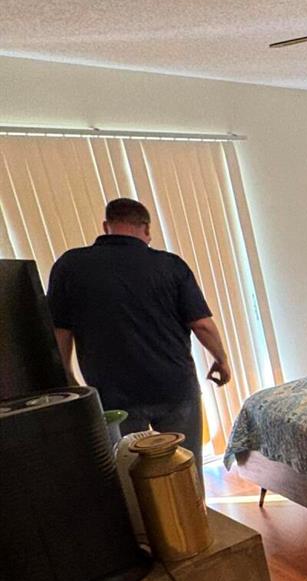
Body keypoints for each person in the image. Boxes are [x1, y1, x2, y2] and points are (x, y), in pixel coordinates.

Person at [47, 197, 231, 480]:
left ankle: (142, 511)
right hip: (173, 384)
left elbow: (60, 331)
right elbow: (202, 325)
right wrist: (222, 359)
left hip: (112, 390)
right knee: (185, 467)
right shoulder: (170, 266)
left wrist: (68, 377)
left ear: (106, 226)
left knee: (129, 471)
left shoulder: (70, 266)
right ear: (146, 229)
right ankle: (194, 507)